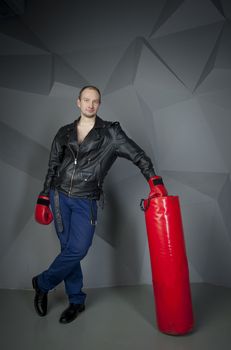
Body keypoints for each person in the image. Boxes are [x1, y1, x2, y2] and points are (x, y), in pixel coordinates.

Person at [33, 85, 168, 324]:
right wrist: (44, 196)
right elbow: (52, 167)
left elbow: (139, 155)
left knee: (79, 248)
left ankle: (42, 283)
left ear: (99, 104)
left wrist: (154, 181)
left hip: (87, 200)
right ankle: (77, 302)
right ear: (78, 102)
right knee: (68, 252)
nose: (90, 105)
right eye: (86, 100)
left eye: (95, 101)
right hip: (59, 197)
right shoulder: (64, 133)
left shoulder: (111, 133)